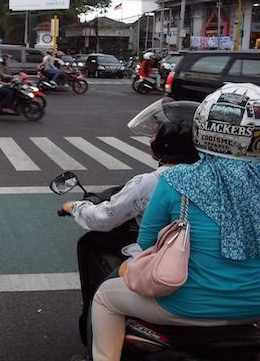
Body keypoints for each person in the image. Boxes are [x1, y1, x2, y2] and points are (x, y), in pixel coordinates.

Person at [91, 83, 260, 361]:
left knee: (105, 298)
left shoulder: (175, 181)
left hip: (187, 305)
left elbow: (145, 246)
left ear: (203, 127)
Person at [61, 98, 200, 347]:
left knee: (103, 300)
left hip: (168, 274)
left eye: (157, 131)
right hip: (221, 279)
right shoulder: (224, 180)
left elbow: (103, 219)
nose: (151, 138)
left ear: (170, 137)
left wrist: (75, 207)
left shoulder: (155, 182)